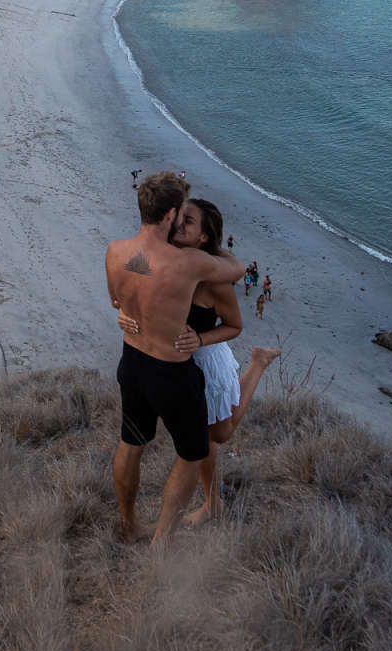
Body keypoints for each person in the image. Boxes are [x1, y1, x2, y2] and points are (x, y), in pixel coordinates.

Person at [119, 198, 280, 524]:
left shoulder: (214, 281)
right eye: (178, 215)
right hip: (163, 364)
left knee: (218, 435)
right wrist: (124, 312)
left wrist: (202, 339)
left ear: (204, 237)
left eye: (188, 221)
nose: (178, 223)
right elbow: (127, 291)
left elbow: (235, 326)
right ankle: (213, 503)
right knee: (200, 438)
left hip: (205, 362)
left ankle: (258, 363)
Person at [105, 171, 245, 547]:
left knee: (131, 443)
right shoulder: (189, 265)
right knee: (191, 453)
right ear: (169, 214)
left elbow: (119, 300)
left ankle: (128, 523)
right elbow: (238, 269)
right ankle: (161, 542)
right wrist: (213, 246)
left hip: (131, 360)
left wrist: (125, 312)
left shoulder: (119, 251)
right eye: (181, 212)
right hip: (170, 371)